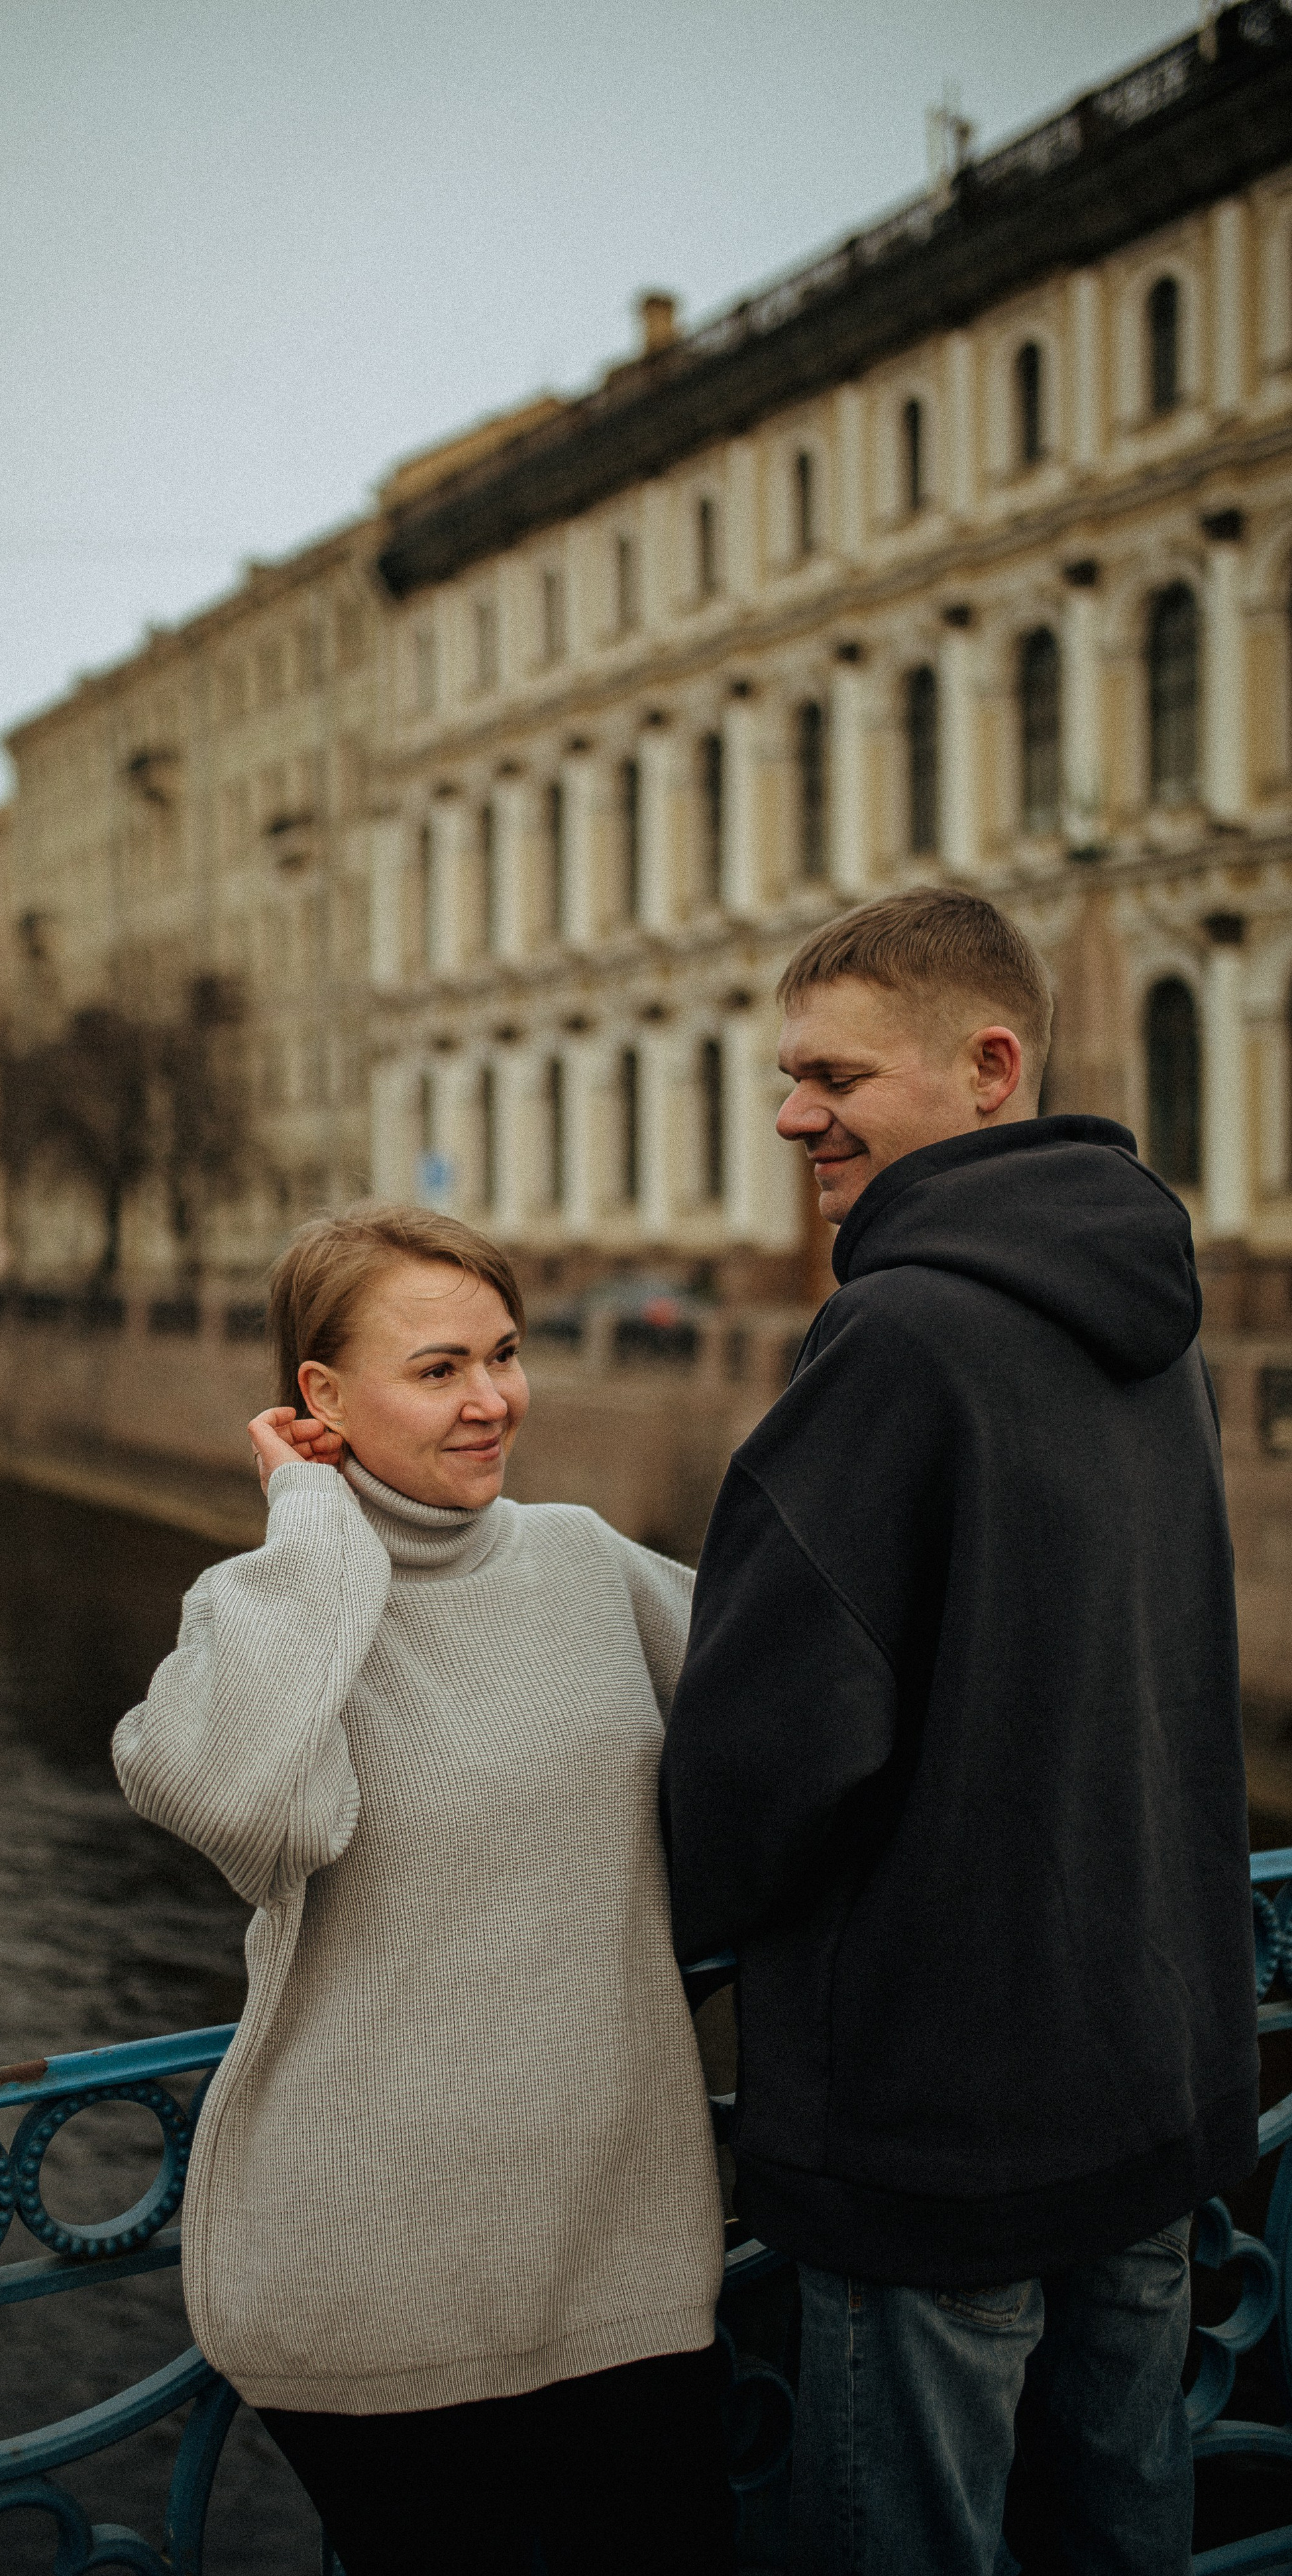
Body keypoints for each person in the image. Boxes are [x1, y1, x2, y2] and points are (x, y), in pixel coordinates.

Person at [659, 887, 1257, 2575]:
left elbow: (762, 1752)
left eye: (832, 1075)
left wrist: (684, 1913)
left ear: (987, 1064)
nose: (791, 1114)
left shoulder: (899, 1331)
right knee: (1118, 2535)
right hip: (1147, 2074)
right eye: (788, 1078)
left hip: (939, 2119)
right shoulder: (1158, 1325)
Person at [113, 1205, 731, 2576]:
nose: (492, 1400)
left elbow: (793, 1724)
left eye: (503, 1355)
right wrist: (316, 1532)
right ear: (320, 1398)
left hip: (622, 2266)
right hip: (375, 2295)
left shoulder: (583, 1561)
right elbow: (256, 1813)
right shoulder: (256, 1610)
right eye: (439, 1368)